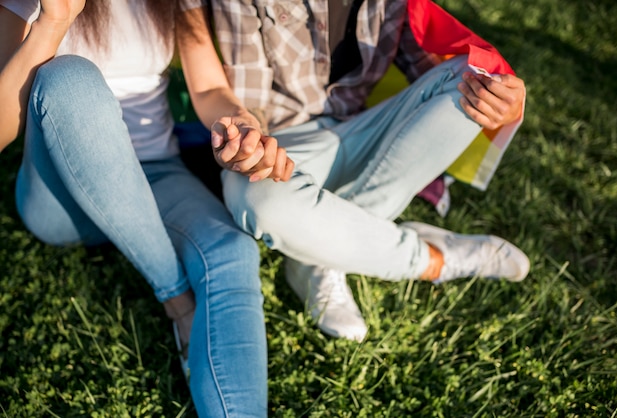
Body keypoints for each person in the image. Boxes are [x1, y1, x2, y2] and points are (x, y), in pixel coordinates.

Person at [0, 0, 293, 416]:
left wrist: (243, 127)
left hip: (156, 170)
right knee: (69, 77)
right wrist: (53, 21)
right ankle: (178, 299)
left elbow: (209, 91)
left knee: (231, 250)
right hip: (61, 194)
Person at [209, 0, 531, 342]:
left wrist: (503, 98)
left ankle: (320, 255)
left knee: (476, 77)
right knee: (257, 194)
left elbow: (428, 71)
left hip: (361, 126)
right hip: (285, 139)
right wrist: (250, 142)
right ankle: (433, 259)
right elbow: (248, 103)